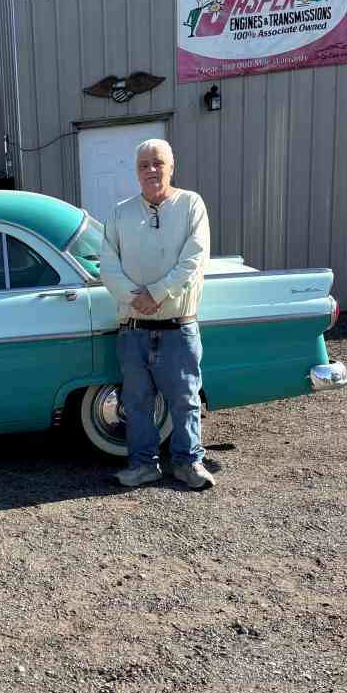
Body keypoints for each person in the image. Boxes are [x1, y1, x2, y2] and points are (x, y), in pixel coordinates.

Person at [99, 139, 215, 490]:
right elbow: (108, 266)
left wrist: (158, 292)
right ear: (136, 172)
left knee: (185, 401)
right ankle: (143, 465)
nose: (151, 170)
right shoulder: (120, 213)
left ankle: (188, 463)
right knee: (136, 404)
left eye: (158, 163)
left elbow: (195, 259)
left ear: (171, 166)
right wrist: (136, 299)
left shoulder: (191, 204)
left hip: (178, 328)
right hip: (133, 329)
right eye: (144, 165)